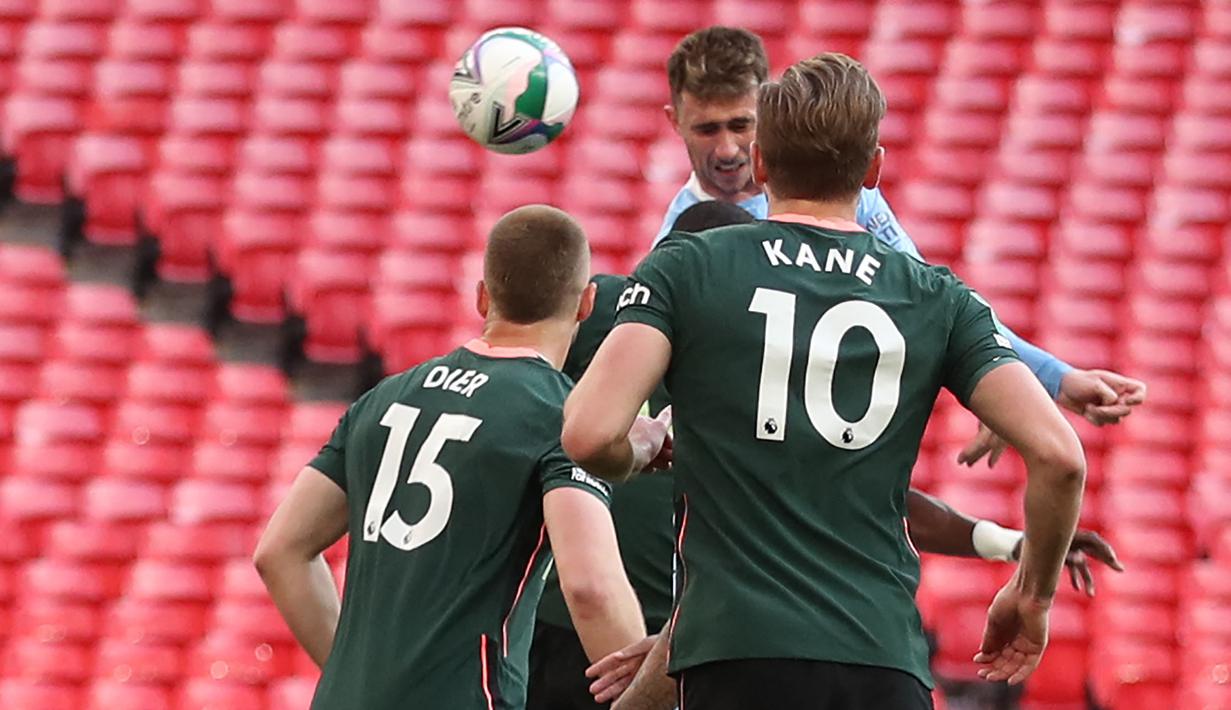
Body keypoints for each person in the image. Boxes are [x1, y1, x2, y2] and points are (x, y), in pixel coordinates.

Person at [562, 54, 1087, 710]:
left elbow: (587, 434)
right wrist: (1030, 595)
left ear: (759, 164)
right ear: (872, 171)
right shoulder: (937, 297)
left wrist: (637, 450)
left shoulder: (687, 267)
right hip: (881, 658)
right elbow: (1060, 458)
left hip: (734, 654)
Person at [654, 27, 1146, 461]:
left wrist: (1045, 378)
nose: (725, 150)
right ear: (675, 121)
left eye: (739, 125)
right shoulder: (683, 246)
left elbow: (935, 298)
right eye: (706, 129)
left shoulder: (850, 198)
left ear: (763, 115)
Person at [254, 205, 670, 709]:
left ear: (482, 297)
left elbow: (279, 552)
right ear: (585, 304)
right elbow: (590, 586)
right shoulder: (558, 417)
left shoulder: (386, 397)